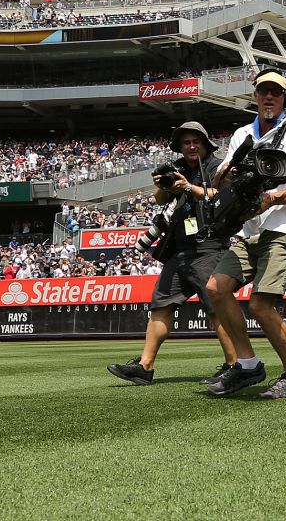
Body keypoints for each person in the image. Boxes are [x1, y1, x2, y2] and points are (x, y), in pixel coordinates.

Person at [202, 69, 286, 399]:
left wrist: (273, 196)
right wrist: (226, 175)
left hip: (283, 226)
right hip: (247, 228)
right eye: (263, 91)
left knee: (259, 304)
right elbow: (221, 180)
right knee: (216, 288)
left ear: (285, 99)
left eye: (276, 92)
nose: (269, 97)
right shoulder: (242, 134)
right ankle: (247, 364)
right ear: (255, 96)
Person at [107, 122, 238, 386]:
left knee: (215, 308)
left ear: (205, 144)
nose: (191, 146)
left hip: (208, 246)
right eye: (186, 142)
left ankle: (234, 365)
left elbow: (223, 195)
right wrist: (164, 184)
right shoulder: (176, 168)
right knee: (161, 304)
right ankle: (145, 367)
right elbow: (159, 200)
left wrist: (189, 187)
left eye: (195, 141)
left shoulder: (217, 167)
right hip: (179, 248)